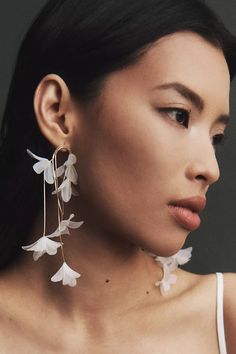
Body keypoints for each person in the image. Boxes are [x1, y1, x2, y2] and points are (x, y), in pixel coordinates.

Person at [0, 0, 236, 352]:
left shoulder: (226, 317)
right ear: (58, 114)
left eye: (216, 137)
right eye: (179, 115)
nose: (210, 169)